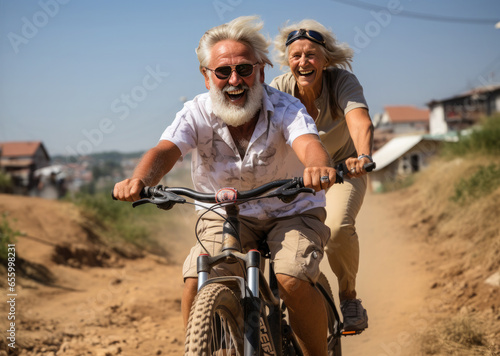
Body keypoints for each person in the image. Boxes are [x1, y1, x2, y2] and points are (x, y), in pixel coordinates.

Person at [113, 16, 336, 356]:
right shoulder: (195, 113)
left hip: (292, 209)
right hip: (226, 213)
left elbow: (307, 141)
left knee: (291, 277)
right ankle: (200, 349)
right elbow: (165, 151)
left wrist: (317, 165)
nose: (235, 80)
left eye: (245, 69)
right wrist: (140, 180)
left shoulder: (286, 108)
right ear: (206, 77)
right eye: (222, 72)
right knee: (195, 280)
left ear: (260, 71)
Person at [270, 19, 374, 333]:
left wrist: (363, 155)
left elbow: (359, 121)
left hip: (344, 170)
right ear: (288, 61)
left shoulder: (341, 82)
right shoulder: (277, 89)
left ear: (325, 59)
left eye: (311, 55)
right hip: (294, 178)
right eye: (296, 55)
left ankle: (349, 297)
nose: (303, 62)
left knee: (338, 228)